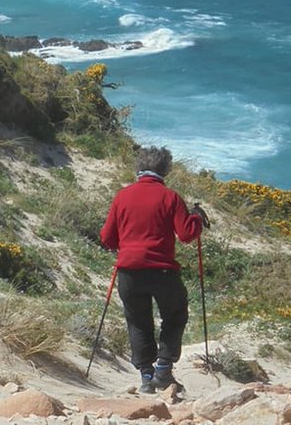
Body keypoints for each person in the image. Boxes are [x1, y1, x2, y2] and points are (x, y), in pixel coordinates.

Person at [100, 146, 210, 394]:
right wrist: (196, 218)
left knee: (138, 322)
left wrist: (128, 242)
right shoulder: (170, 197)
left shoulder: (122, 196)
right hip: (162, 271)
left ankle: (146, 377)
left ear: (138, 168)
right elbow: (187, 234)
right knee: (175, 315)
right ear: (165, 170)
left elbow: (107, 238)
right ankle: (163, 370)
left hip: (129, 271)